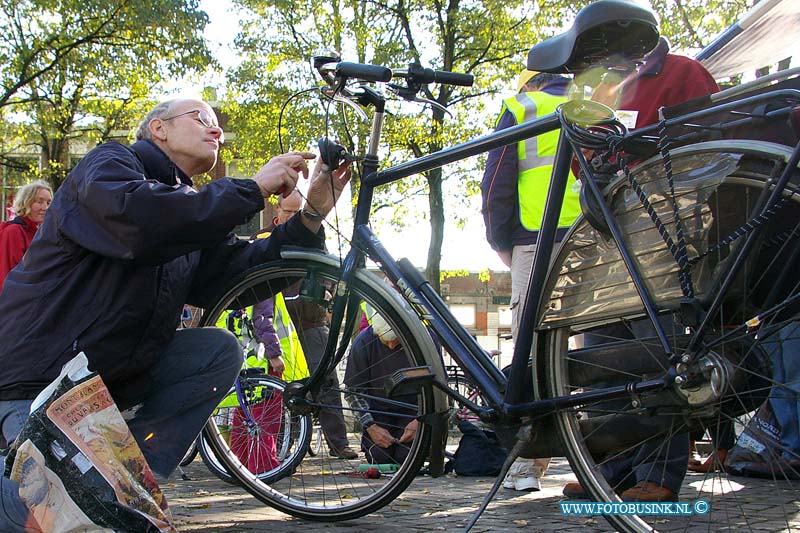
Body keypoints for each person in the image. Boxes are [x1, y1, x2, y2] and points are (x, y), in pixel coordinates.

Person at [0, 98, 350, 531]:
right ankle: (70, 491)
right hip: (41, 382)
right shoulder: (109, 163)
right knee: (44, 514)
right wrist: (252, 189)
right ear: (158, 129)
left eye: (218, 126)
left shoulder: (188, 213)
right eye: (201, 118)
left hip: (106, 387)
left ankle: (124, 485)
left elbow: (241, 272)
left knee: (216, 350)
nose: (216, 131)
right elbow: (141, 219)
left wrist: (312, 216)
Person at [557, 22, 719, 502]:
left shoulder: (682, 74)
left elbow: (708, 147)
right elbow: (579, 161)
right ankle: (609, 467)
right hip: (607, 234)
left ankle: (657, 473)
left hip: (662, 236)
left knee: (657, 354)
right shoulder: (597, 88)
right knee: (603, 356)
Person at [480, 67, 581, 491]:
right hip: (596, 235)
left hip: (538, 239)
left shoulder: (522, 107)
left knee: (532, 350)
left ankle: (528, 466)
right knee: (593, 349)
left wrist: (502, 240)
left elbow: (497, 182)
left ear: (530, 82)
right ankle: (605, 463)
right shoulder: (595, 104)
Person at [254, 190, 359, 460]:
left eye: (296, 211)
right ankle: (281, 447)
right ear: (276, 211)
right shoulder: (264, 239)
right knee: (280, 388)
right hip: (278, 326)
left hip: (312, 322)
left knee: (326, 383)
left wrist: (327, 289)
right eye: (287, 211)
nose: (291, 217)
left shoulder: (313, 237)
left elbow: (328, 270)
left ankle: (339, 443)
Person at [343, 313, 420, 464]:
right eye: (386, 341)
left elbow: (438, 387)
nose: (391, 346)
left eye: (396, 341)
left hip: (413, 410)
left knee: (406, 458)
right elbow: (353, 392)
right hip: (378, 413)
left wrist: (420, 420)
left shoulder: (421, 340)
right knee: (379, 457)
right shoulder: (363, 342)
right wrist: (371, 426)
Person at [0, 180, 52, 290]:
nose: (45, 208)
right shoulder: (14, 231)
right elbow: (8, 275)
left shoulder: (38, 232)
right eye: (39, 201)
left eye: (48, 203)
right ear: (26, 202)